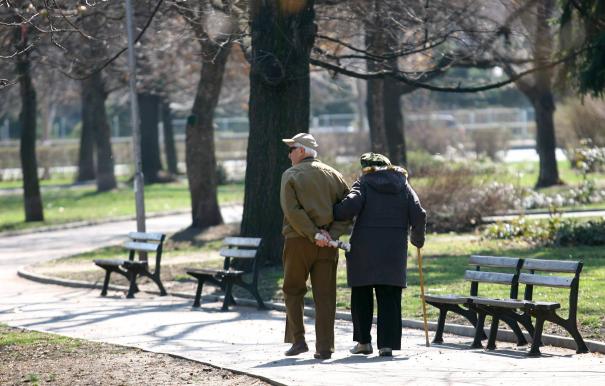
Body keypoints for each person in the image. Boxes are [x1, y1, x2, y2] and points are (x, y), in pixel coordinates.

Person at [333, 152, 426, 357]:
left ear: (366, 168)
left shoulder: (364, 183)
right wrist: (417, 239)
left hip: (363, 252)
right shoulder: (403, 185)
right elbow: (419, 214)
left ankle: (364, 342)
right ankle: (387, 345)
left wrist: (334, 211)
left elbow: (349, 207)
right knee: (390, 297)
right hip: (394, 252)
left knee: (361, 295)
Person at [280, 133, 350, 360]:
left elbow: (292, 212)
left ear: (301, 151)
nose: (289, 154)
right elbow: (346, 210)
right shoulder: (336, 175)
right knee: (326, 295)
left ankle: (298, 341)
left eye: (291, 149)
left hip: (298, 241)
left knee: (293, 290)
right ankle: (325, 348)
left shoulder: (290, 175)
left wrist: (312, 234)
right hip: (328, 244)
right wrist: (331, 234)